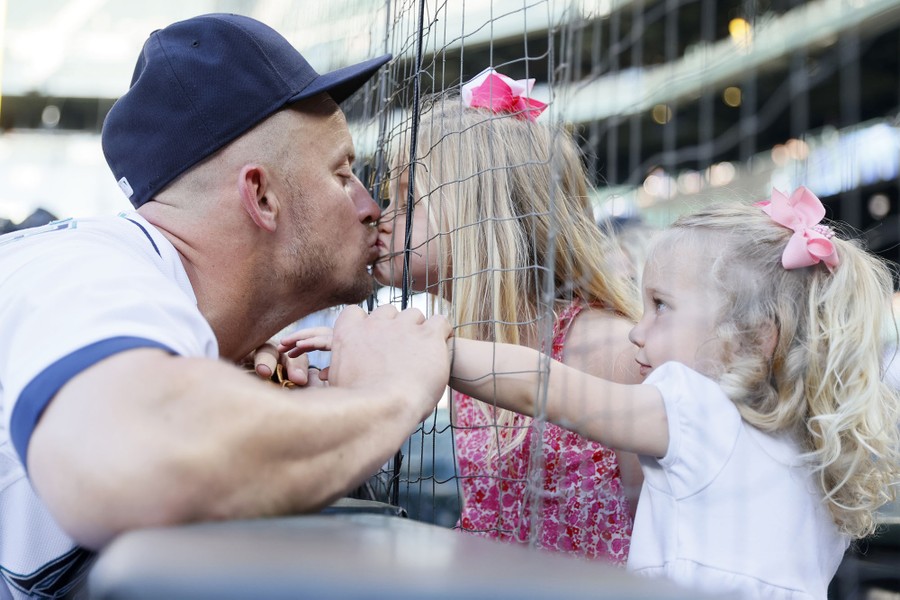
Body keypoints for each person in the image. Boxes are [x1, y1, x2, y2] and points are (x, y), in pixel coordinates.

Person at [0, 13, 451, 599]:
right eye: (343, 175)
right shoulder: (89, 271)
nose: (371, 206)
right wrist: (389, 392)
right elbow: (143, 463)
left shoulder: (134, 286)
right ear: (261, 195)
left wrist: (230, 386)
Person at [443, 187, 900, 598]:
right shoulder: (820, 453)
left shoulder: (694, 409)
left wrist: (438, 351)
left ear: (755, 338)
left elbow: (541, 386)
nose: (636, 332)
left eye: (661, 306)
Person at [283, 69, 645, 564]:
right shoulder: (466, 338)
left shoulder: (615, 352)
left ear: (482, 215)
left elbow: (663, 540)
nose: (381, 216)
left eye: (408, 199)